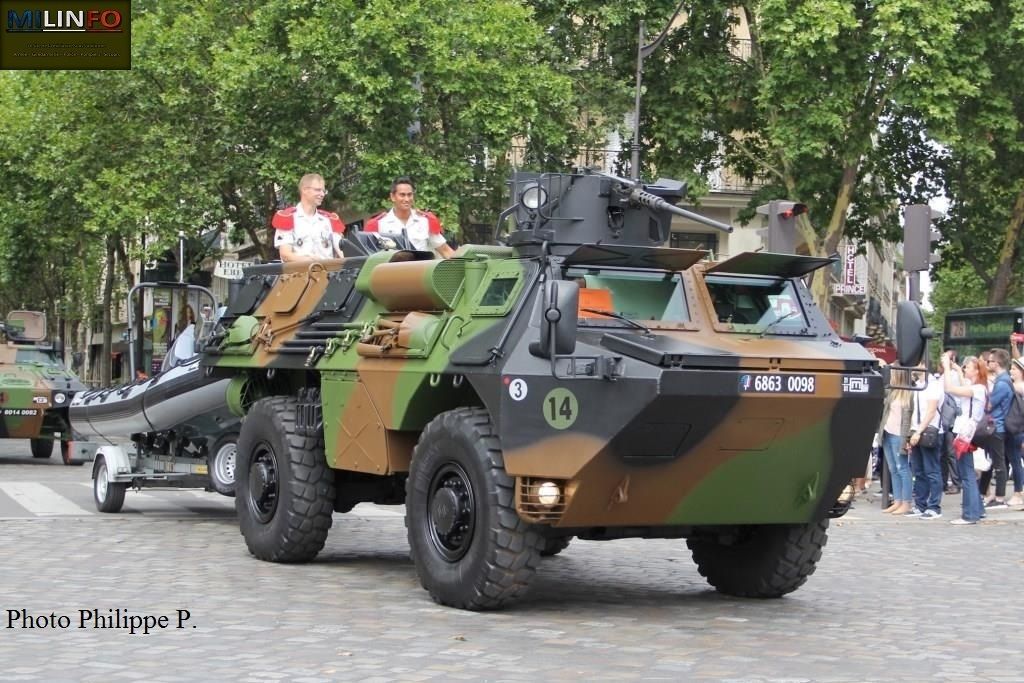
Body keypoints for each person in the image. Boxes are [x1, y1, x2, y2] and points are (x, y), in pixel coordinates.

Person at [943, 353, 987, 524]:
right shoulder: (977, 387)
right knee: (968, 473)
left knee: (966, 474)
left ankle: (970, 514)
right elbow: (963, 384)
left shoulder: (977, 389)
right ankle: (978, 510)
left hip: (965, 434)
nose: (964, 369)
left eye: (967, 367)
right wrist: (956, 369)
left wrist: (947, 367)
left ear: (976, 371)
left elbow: (950, 388)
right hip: (966, 432)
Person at [363, 177, 456, 258]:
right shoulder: (380, 224)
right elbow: (370, 258)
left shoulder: (424, 222)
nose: (407, 199)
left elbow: (445, 251)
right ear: (392, 197)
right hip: (393, 272)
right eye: (402, 195)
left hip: (421, 271)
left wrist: (461, 265)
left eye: (409, 194)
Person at [272, 173, 345, 262]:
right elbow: (285, 255)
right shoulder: (287, 218)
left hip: (329, 270)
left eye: (323, 191)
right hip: (300, 270)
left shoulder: (329, 220)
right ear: (304, 190)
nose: (322, 194)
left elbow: (342, 253)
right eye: (317, 190)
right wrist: (309, 261)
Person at [905, 364, 944, 519]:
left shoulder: (933, 385)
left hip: (930, 431)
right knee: (919, 471)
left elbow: (931, 411)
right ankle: (920, 504)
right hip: (917, 429)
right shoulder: (918, 385)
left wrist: (918, 431)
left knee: (932, 470)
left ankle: (934, 506)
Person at [977, 349, 1014, 508]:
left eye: (990, 361)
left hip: (996, 427)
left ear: (997, 363)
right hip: (997, 426)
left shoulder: (1001, 383)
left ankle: (999, 497)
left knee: (998, 463)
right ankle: (984, 493)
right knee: (994, 462)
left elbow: (989, 405)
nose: (988, 363)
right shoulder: (1004, 380)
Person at [877, 385, 913, 514]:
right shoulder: (892, 391)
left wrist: (907, 438)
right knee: (893, 469)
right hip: (887, 433)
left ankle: (906, 502)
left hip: (899, 435)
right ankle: (897, 500)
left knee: (902, 468)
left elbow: (909, 418)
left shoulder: (909, 393)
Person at [1008, 357, 1024, 507]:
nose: (1011, 371)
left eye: (1014, 369)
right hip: (1016, 428)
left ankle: (1018, 492)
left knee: (1016, 461)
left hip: (1018, 429)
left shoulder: (1019, 387)